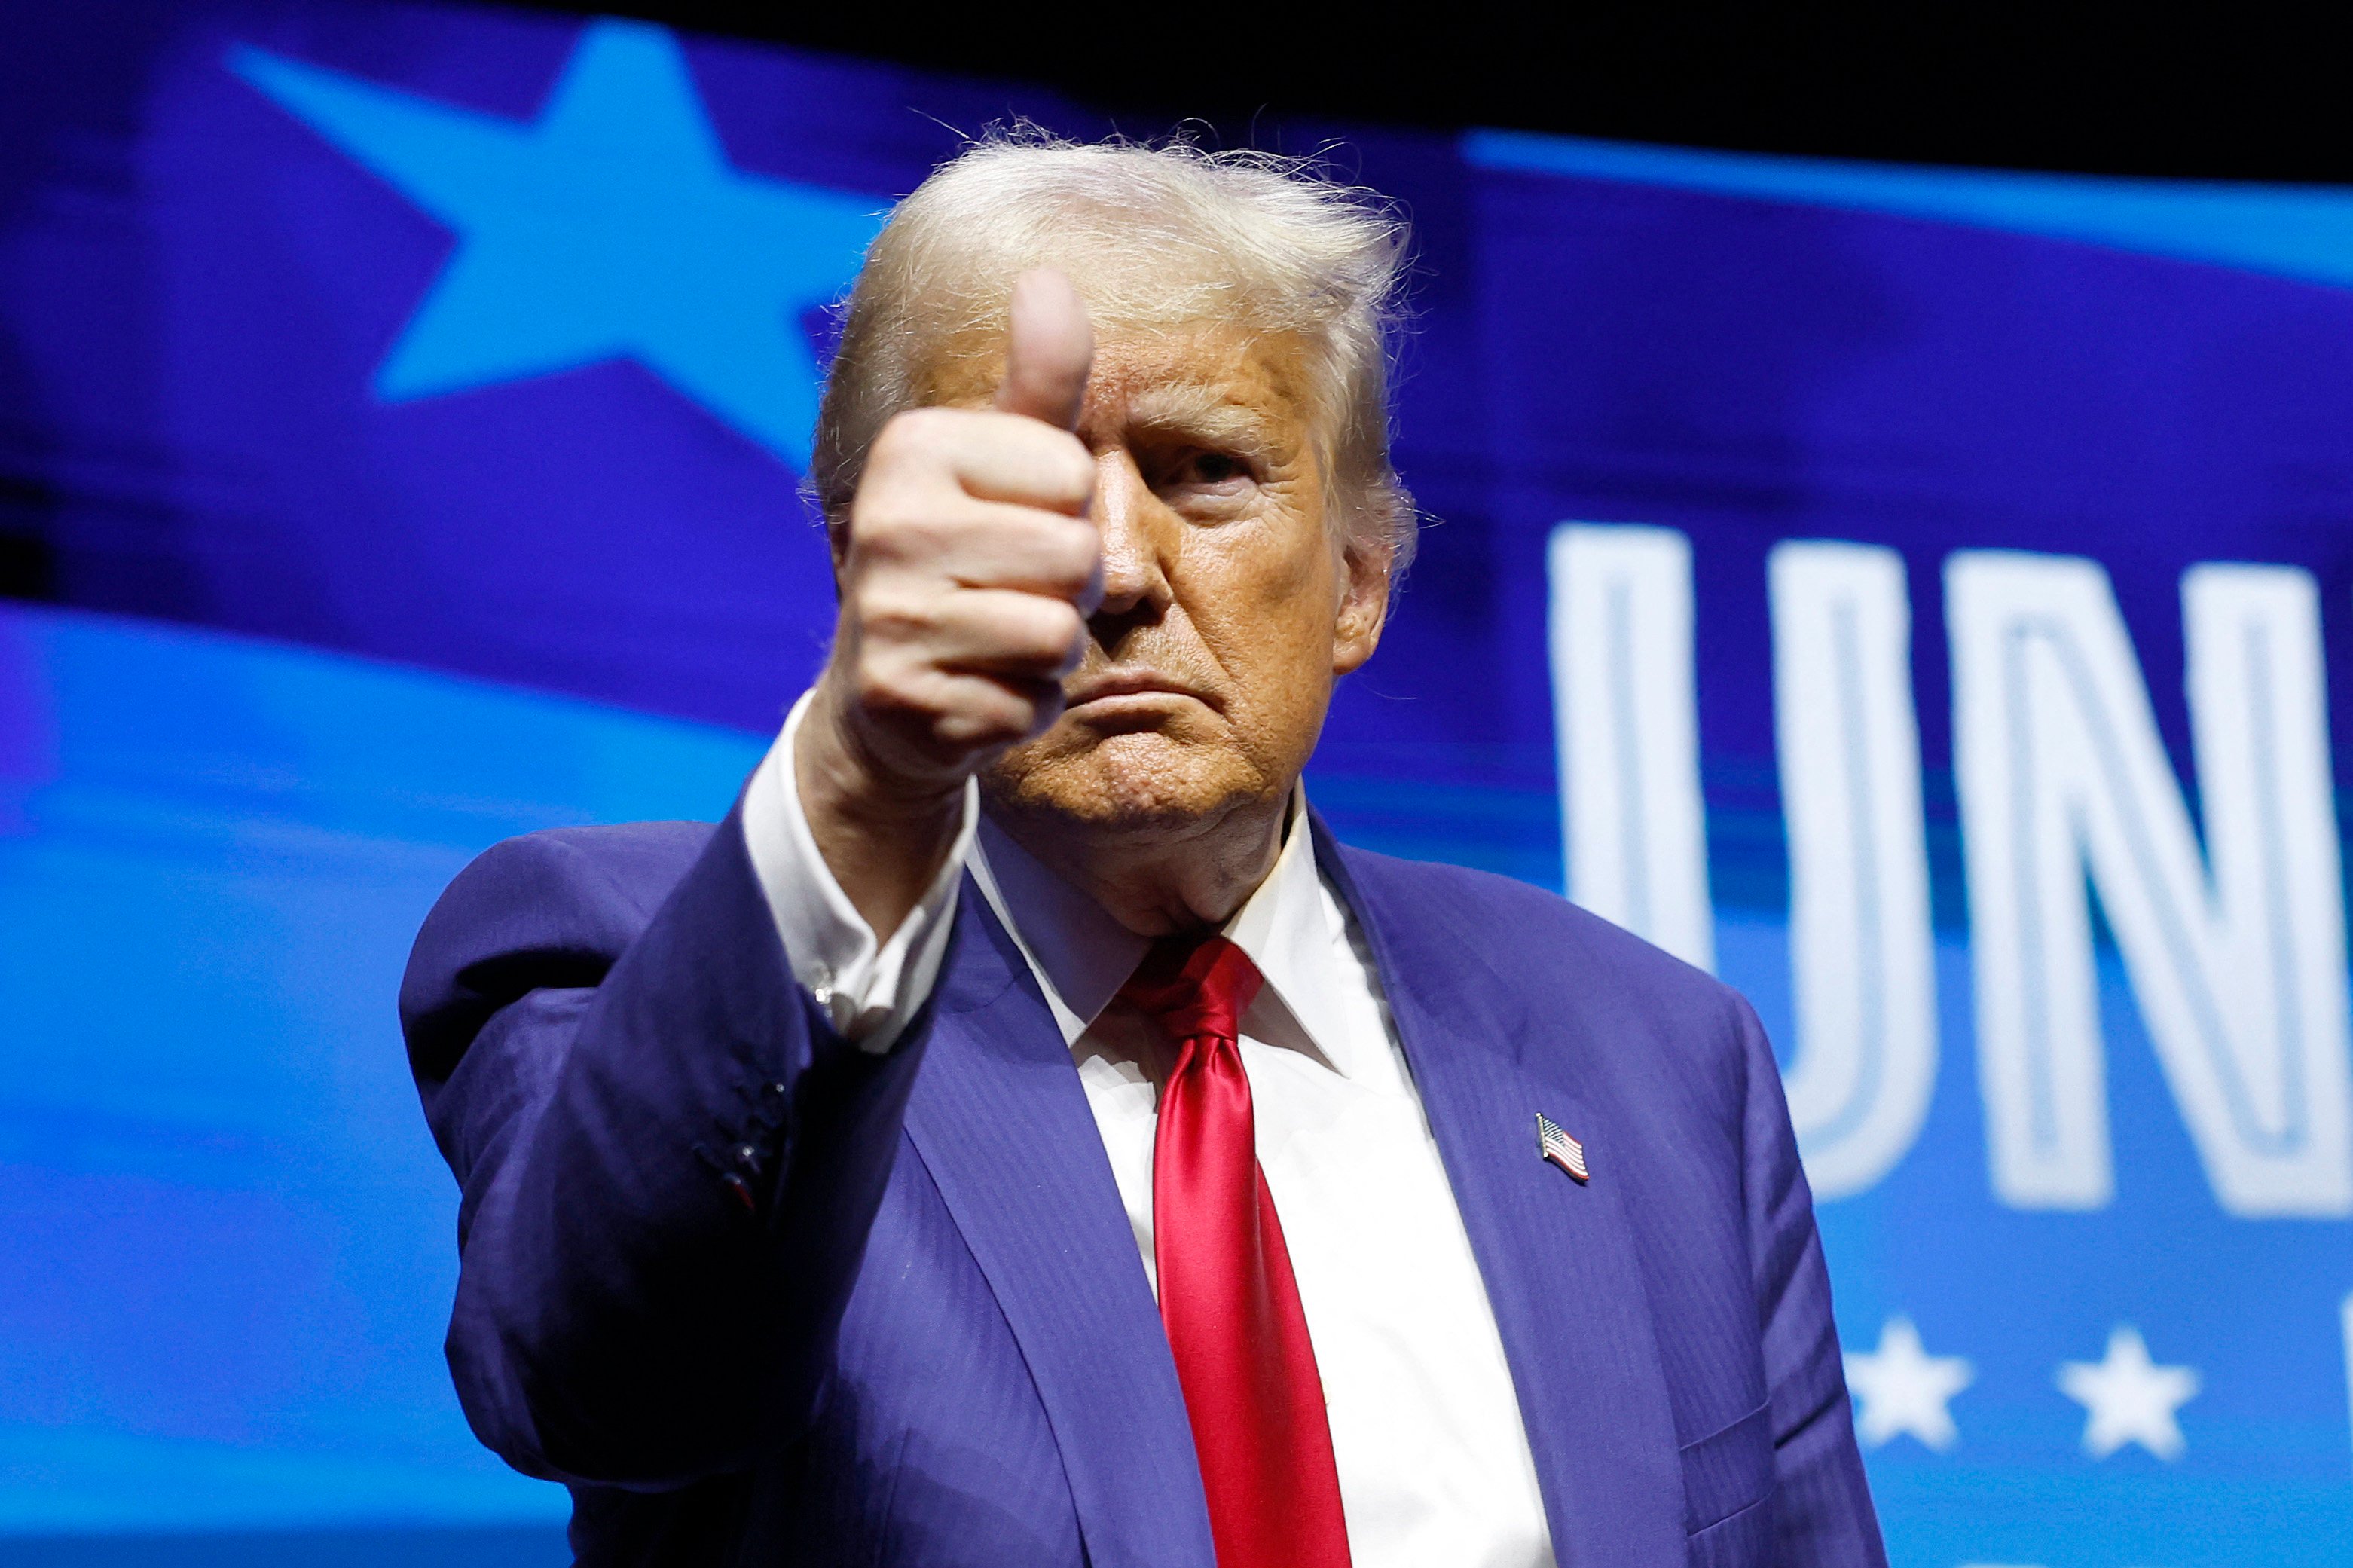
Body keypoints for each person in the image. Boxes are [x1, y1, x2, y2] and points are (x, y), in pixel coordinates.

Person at [401, 138, 1885, 1568]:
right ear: (873, 567)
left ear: (1358, 583)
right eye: (1021, 489)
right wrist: (861, 778)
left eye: (1203, 470)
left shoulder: (1655, 1054)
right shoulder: (613, 948)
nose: (1110, 569)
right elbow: (604, 1390)